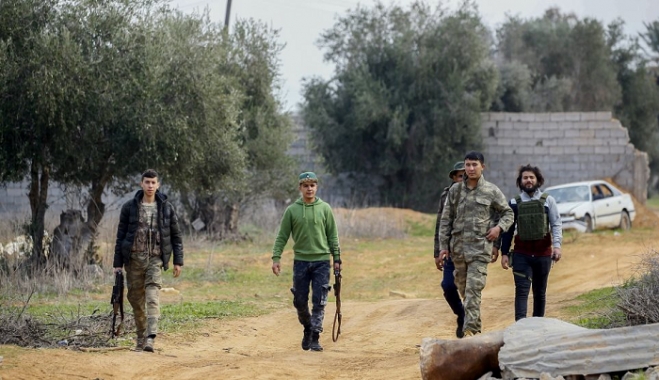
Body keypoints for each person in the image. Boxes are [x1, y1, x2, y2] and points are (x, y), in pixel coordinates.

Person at [438, 151, 513, 337]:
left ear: (482, 167)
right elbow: (446, 220)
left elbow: (508, 213)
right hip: (458, 252)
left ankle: (471, 334)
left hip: (480, 251)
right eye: (468, 165)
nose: (470, 169)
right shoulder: (455, 191)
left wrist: (498, 229)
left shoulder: (491, 191)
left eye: (474, 165)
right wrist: (443, 247)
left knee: (473, 292)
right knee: (465, 291)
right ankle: (472, 328)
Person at [113, 169, 183, 352]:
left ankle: (150, 338)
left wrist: (178, 261)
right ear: (141, 184)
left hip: (155, 260)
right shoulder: (129, 208)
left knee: (152, 297)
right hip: (134, 260)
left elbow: (176, 236)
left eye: (153, 182)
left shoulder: (166, 208)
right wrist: (117, 264)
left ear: (158, 185)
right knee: (136, 299)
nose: (150, 186)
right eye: (147, 182)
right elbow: (120, 237)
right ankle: (141, 335)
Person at [272, 172, 342, 352]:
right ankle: (308, 327)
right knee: (300, 301)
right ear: (300, 188)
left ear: (316, 187)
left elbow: (333, 235)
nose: (309, 189)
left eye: (312, 185)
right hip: (301, 262)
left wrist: (337, 259)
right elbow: (282, 236)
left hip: (322, 261)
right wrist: (276, 258)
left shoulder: (325, 208)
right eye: (306, 185)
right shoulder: (292, 210)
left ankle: (316, 337)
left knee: (320, 300)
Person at [500, 164, 562, 321]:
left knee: (540, 292)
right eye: (525, 178)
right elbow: (508, 229)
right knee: (521, 291)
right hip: (522, 254)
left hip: (543, 254)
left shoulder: (548, 201)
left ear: (538, 180)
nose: (528, 180)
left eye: (531, 177)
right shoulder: (514, 203)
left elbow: (556, 224)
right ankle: (520, 327)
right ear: (520, 181)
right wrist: (504, 253)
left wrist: (557, 246)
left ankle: (538, 326)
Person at [434, 161, 466, 338]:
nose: (463, 179)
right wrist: (437, 251)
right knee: (447, 285)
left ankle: (472, 326)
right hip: (451, 250)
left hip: (470, 250)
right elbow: (440, 223)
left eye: (466, 175)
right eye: (460, 176)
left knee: (470, 288)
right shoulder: (446, 196)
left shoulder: (476, 192)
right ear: (454, 177)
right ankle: (461, 314)